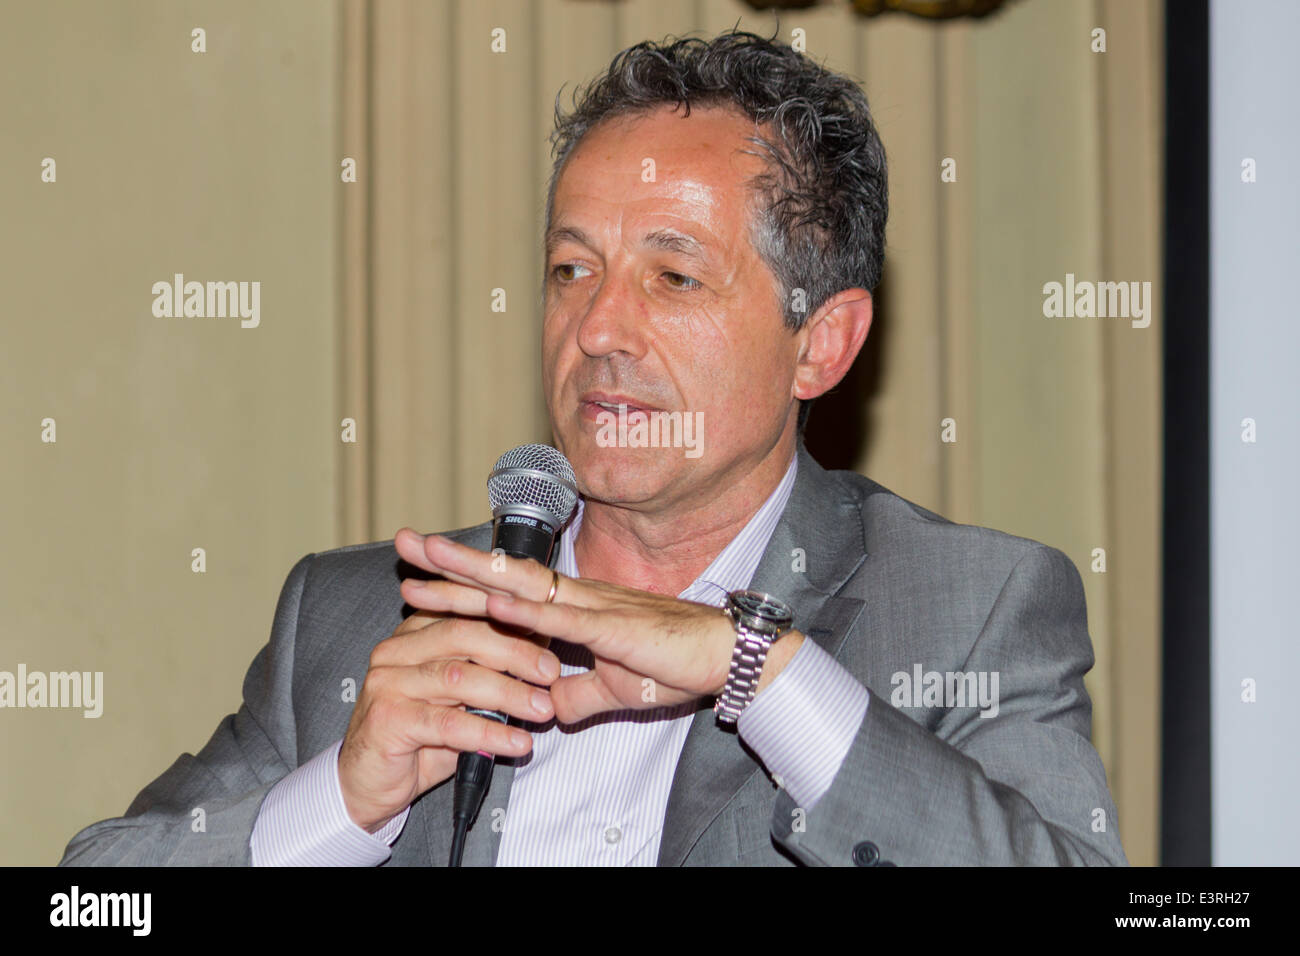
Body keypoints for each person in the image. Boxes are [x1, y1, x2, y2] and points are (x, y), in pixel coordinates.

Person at [59, 30, 1127, 866]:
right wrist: (339, 800)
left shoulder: (965, 605)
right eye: (573, 269)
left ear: (822, 342)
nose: (599, 329)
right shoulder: (357, 617)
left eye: (672, 276)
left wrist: (753, 665)